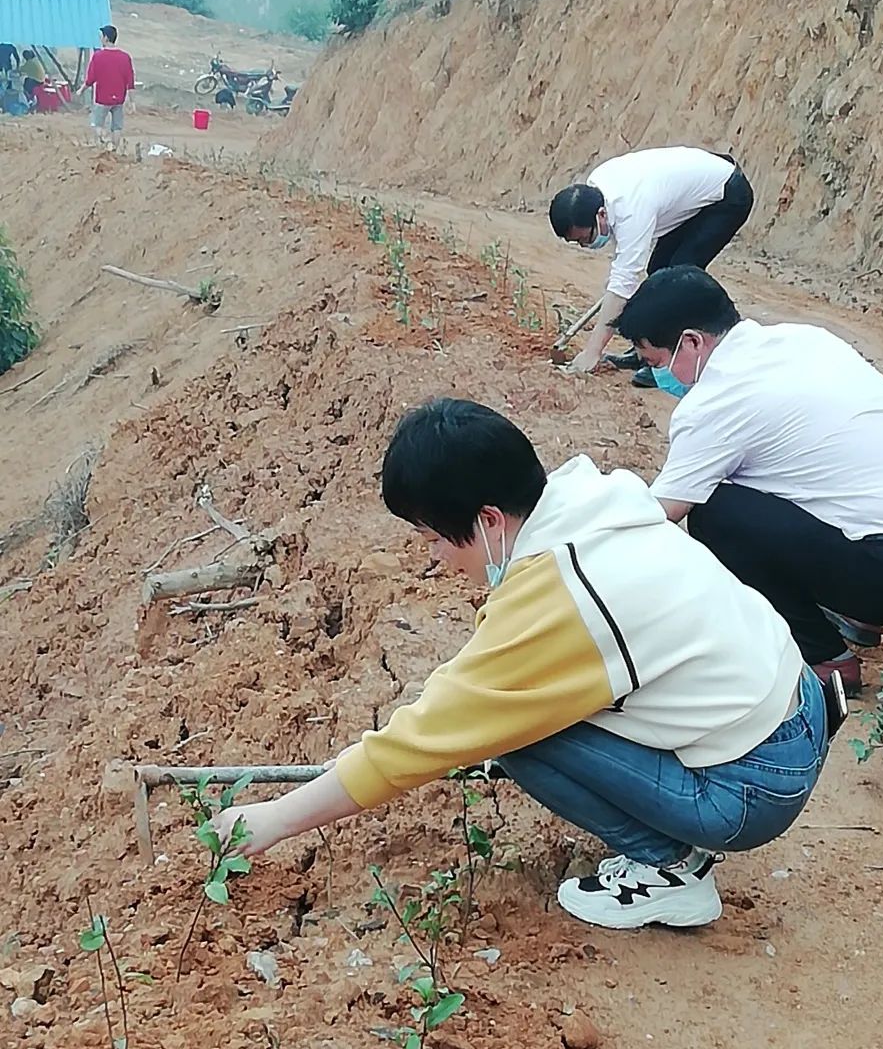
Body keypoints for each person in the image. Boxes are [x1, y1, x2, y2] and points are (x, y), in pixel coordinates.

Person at [211, 398, 828, 932]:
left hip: (755, 786)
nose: (434, 558)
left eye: (432, 538)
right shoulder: (590, 498)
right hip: (795, 701)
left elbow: (430, 735)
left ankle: (670, 872)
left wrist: (277, 817)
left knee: (517, 737)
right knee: (524, 713)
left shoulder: (563, 599)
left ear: (487, 521)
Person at [614, 266, 883, 694]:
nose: (655, 375)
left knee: (716, 512)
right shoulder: (806, 338)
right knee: (795, 474)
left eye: (655, 361)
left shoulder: (715, 403)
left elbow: (661, 514)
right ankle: (859, 619)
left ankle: (827, 659)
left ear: (692, 342)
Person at [548, 146, 753, 387]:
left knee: (678, 278)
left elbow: (624, 283)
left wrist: (592, 352)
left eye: (585, 238)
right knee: (658, 270)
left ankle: (669, 362)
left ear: (601, 215)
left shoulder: (631, 209)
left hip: (727, 195)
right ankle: (645, 352)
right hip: (696, 191)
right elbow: (623, 275)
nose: (585, 245)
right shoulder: (597, 189)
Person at [80, 25, 135, 141]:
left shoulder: (98, 56)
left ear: (105, 38)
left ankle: (103, 141)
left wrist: (81, 90)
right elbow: (130, 82)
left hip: (102, 99)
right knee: (117, 127)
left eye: (101, 37)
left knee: (98, 125)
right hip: (119, 99)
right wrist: (132, 101)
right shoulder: (125, 57)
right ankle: (114, 150)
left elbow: (90, 79)